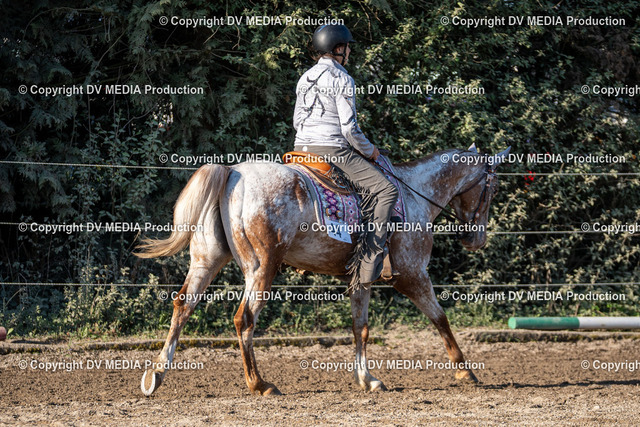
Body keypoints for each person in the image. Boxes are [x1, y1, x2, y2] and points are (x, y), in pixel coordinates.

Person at [293, 24, 399, 286]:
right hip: (331, 149)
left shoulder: (305, 77)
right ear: (338, 49)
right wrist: (370, 150)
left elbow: (296, 121)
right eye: (348, 47)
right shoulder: (342, 78)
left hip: (299, 149)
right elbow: (349, 129)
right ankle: (368, 266)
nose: (349, 52)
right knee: (386, 190)